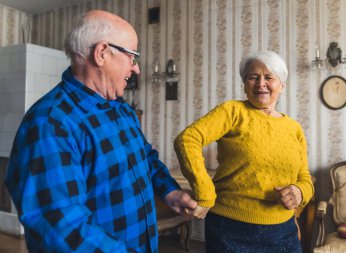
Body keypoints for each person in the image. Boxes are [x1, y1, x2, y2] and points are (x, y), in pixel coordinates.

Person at [5, 10, 197, 253]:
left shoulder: (121, 109)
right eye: (133, 56)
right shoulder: (50, 123)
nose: (136, 68)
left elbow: (144, 157)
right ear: (102, 53)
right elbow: (60, 228)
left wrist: (169, 191)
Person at [174, 50, 314, 253]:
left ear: (282, 85)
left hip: (283, 231)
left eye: (269, 77)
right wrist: (205, 193)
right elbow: (187, 139)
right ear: (245, 84)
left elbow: (304, 177)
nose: (261, 84)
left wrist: (300, 192)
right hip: (230, 227)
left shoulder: (294, 128)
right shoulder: (232, 111)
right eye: (253, 77)